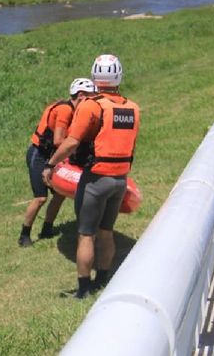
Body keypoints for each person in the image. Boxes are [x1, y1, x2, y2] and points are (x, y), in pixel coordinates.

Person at [43, 55, 140, 298]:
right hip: (120, 179)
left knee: (86, 234)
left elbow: (71, 142)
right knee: (106, 232)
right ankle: (103, 279)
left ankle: (84, 288)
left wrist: (51, 164)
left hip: (95, 179)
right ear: (118, 76)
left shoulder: (91, 105)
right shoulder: (132, 108)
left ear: (95, 76)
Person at [18, 78, 96, 247]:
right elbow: (58, 140)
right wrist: (75, 148)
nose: (93, 102)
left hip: (53, 156)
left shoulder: (74, 110)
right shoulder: (65, 110)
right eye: (91, 97)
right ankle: (24, 234)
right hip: (39, 155)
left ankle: (47, 229)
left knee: (60, 194)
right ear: (81, 95)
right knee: (40, 198)